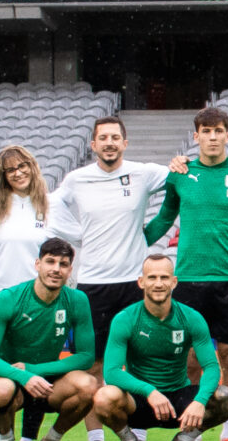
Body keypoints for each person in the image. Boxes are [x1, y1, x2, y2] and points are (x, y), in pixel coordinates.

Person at [146, 106, 228, 441]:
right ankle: (192, 435)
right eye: (206, 131)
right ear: (196, 136)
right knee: (191, 362)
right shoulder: (180, 175)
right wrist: (129, 243)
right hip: (189, 281)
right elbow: (163, 219)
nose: (213, 137)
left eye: (219, 131)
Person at [45, 114, 169, 387]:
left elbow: (184, 178)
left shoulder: (143, 173)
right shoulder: (77, 179)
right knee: (93, 364)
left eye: (115, 137)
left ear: (125, 143)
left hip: (134, 281)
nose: (109, 143)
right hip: (93, 282)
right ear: (93, 145)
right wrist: (78, 236)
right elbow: (50, 204)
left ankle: (138, 417)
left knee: (139, 360)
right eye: (103, 138)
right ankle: (96, 419)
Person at [0, 235, 98, 441]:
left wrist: (35, 369)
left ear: (70, 270)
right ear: (38, 264)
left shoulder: (77, 300)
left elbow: (86, 357)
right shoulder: (8, 298)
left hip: (48, 382)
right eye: (50, 262)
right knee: (0, 390)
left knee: (88, 385)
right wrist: (23, 375)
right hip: (12, 377)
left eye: (63, 264)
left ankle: (52, 440)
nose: (56, 269)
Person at [92, 252, 225, 441]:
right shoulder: (125, 319)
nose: (158, 283)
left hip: (178, 400)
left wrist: (199, 401)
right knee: (103, 397)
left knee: (227, 397)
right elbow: (112, 372)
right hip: (139, 401)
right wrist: (149, 391)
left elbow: (211, 367)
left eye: (164, 277)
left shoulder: (191, 318)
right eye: (152, 277)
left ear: (174, 282)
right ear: (141, 282)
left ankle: (184, 439)